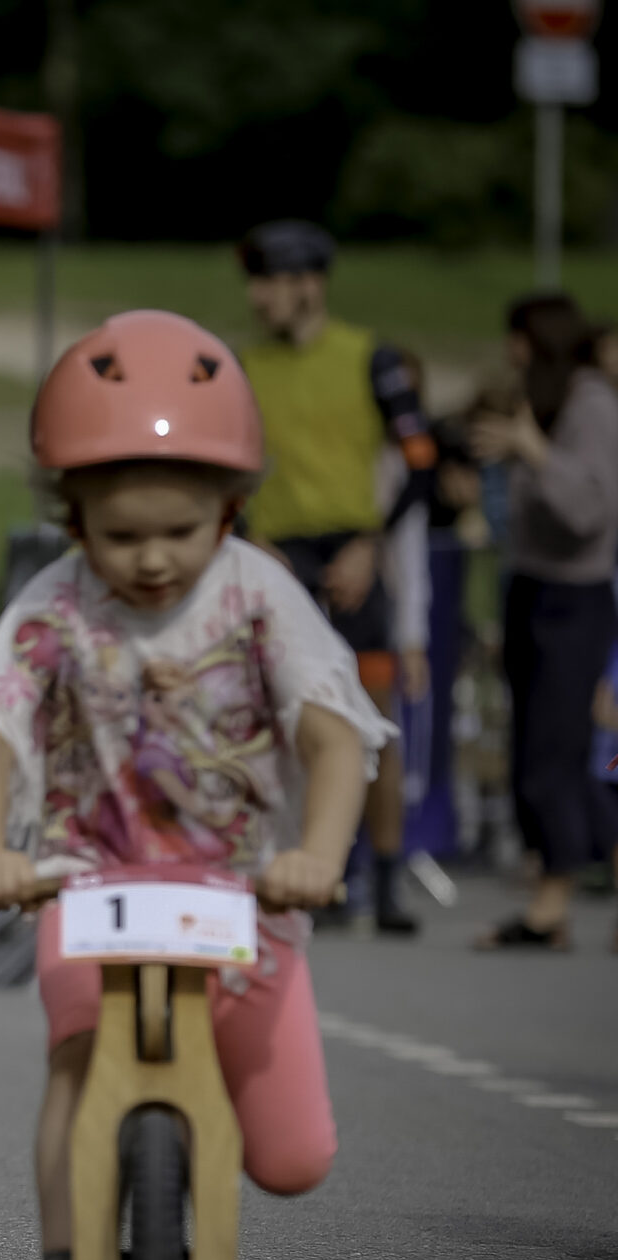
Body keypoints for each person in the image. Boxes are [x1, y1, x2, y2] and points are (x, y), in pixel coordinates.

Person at [0, 310, 387, 1260]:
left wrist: (318, 853)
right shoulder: (51, 606)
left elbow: (333, 734)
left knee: (293, 1160)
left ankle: (198, 1158)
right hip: (87, 881)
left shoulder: (257, 592)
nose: (150, 559)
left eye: (180, 531)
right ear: (72, 520)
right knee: (77, 1060)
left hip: (243, 893)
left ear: (229, 511)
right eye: (118, 534)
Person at [238, 219, 437, 936]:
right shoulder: (245, 366)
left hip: (353, 550)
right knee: (276, 719)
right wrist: (248, 534)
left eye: (270, 282)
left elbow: (421, 458)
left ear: (309, 285)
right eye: (255, 282)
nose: (258, 298)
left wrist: (372, 543)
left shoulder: (369, 357)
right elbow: (223, 465)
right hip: (279, 554)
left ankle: (383, 880)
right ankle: (299, 866)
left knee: (372, 722)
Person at [467, 292, 618, 949]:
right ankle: (552, 899)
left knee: (552, 756)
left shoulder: (591, 407)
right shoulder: (547, 403)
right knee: (532, 747)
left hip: (574, 597)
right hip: (530, 589)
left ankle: (550, 903)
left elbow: (587, 511)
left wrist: (533, 451)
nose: (511, 354)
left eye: (520, 341)